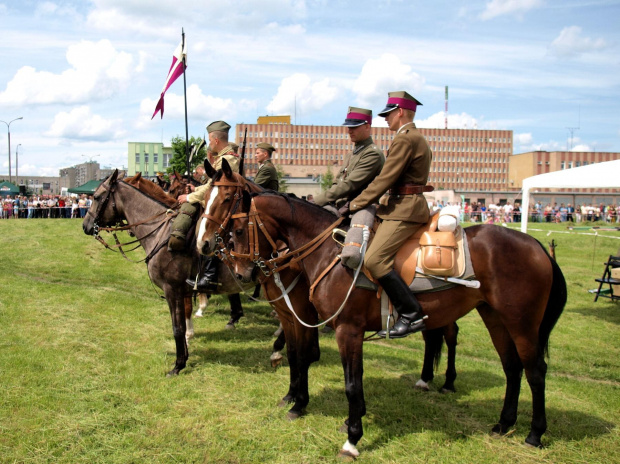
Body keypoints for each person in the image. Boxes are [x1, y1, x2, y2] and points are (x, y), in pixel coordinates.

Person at [345, 91, 432, 339]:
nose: (385, 118)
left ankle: (411, 314)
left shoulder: (406, 138)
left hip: (405, 208)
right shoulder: (411, 137)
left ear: (400, 112)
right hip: (398, 204)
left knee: (374, 260)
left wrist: (354, 204)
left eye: (388, 114)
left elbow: (385, 179)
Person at [170, 121, 240, 293]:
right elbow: (210, 184)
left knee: (209, 231)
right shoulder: (223, 158)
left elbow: (214, 189)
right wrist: (194, 189)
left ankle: (209, 276)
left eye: (209, 141)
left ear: (215, 140)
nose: (209, 144)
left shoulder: (228, 160)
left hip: (225, 206)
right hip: (218, 202)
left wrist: (190, 196)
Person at [313, 107, 384, 208]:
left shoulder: (372, 154)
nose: (349, 131)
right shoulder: (350, 155)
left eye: (354, 127)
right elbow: (337, 182)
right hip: (342, 204)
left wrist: (317, 200)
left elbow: (350, 184)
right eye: (349, 127)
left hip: (362, 206)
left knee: (359, 223)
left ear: (367, 126)